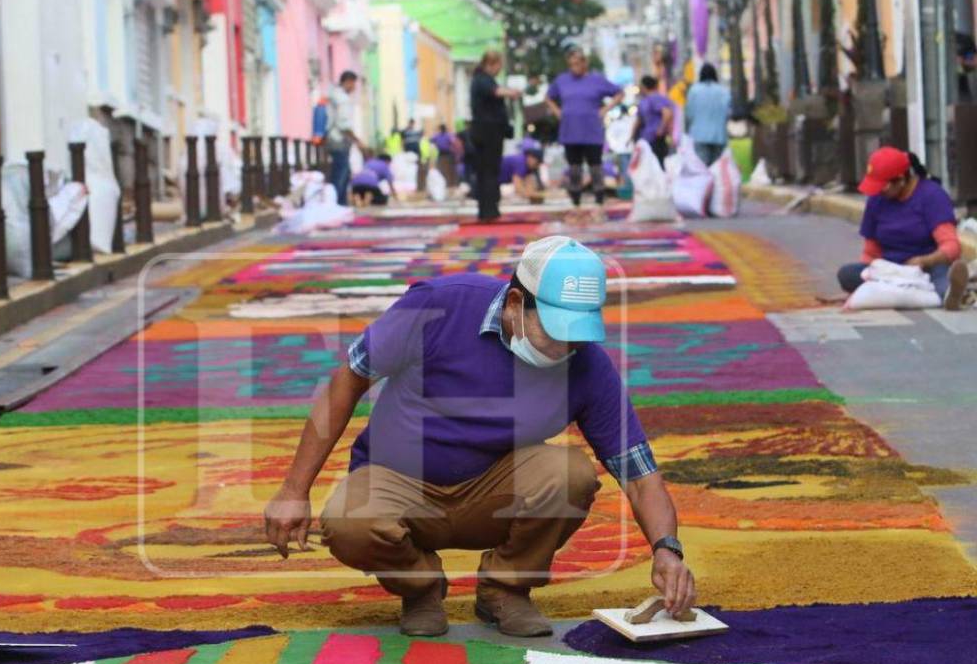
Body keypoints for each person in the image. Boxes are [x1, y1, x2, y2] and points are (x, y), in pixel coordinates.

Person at [263, 237, 696, 637]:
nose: (567, 348)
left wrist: (667, 549)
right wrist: (293, 488)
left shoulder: (585, 364)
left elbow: (639, 472)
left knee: (571, 474)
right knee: (348, 523)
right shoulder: (439, 308)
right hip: (398, 477)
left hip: (495, 490)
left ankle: (504, 590)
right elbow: (350, 379)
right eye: (556, 332)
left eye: (578, 336)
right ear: (514, 303)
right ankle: (421, 589)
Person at [837, 147, 969, 310]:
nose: (879, 191)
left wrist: (924, 260)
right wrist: (868, 275)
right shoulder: (876, 200)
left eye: (883, 186)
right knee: (847, 274)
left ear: (900, 179)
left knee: (943, 281)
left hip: (927, 268)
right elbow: (871, 252)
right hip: (890, 270)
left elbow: (951, 247)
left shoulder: (932, 196)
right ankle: (913, 290)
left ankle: (948, 292)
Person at [546, 46, 623, 206]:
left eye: (577, 63)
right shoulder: (562, 80)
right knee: (574, 168)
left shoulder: (597, 80)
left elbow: (619, 93)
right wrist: (558, 112)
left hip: (592, 131)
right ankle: (576, 202)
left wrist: (605, 109)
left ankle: (599, 201)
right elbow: (548, 97)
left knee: (595, 167)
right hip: (570, 131)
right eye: (571, 64)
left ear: (584, 63)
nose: (575, 67)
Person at [469, 50, 523, 222]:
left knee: (488, 172)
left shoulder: (483, 79)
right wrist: (513, 92)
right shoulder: (481, 79)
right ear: (491, 64)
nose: (499, 69)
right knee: (489, 171)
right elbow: (496, 92)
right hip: (487, 132)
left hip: (488, 131)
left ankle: (488, 210)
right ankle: (489, 211)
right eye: (498, 65)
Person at [325, 71, 365, 205]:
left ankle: (339, 203)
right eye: (354, 84)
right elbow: (344, 125)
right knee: (341, 174)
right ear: (348, 81)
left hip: (333, 139)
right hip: (338, 141)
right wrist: (358, 141)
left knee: (343, 172)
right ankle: (337, 204)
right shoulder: (342, 99)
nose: (354, 87)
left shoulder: (333, 95)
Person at [684, 64, 731, 167]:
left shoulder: (694, 90)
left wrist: (688, 130)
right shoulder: (723, 91)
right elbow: (728, 112)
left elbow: (689, 113)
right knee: (717, 168)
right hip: (719, 134)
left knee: (702, 167)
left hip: (699, 134)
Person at [634, 75, 675, 163]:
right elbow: (639, 120)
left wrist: (661, 129)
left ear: (644, 86)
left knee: (658, 164)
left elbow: (667, 113)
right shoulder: (645, 100)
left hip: (657, 139)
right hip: (649, 139)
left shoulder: (655, 98)